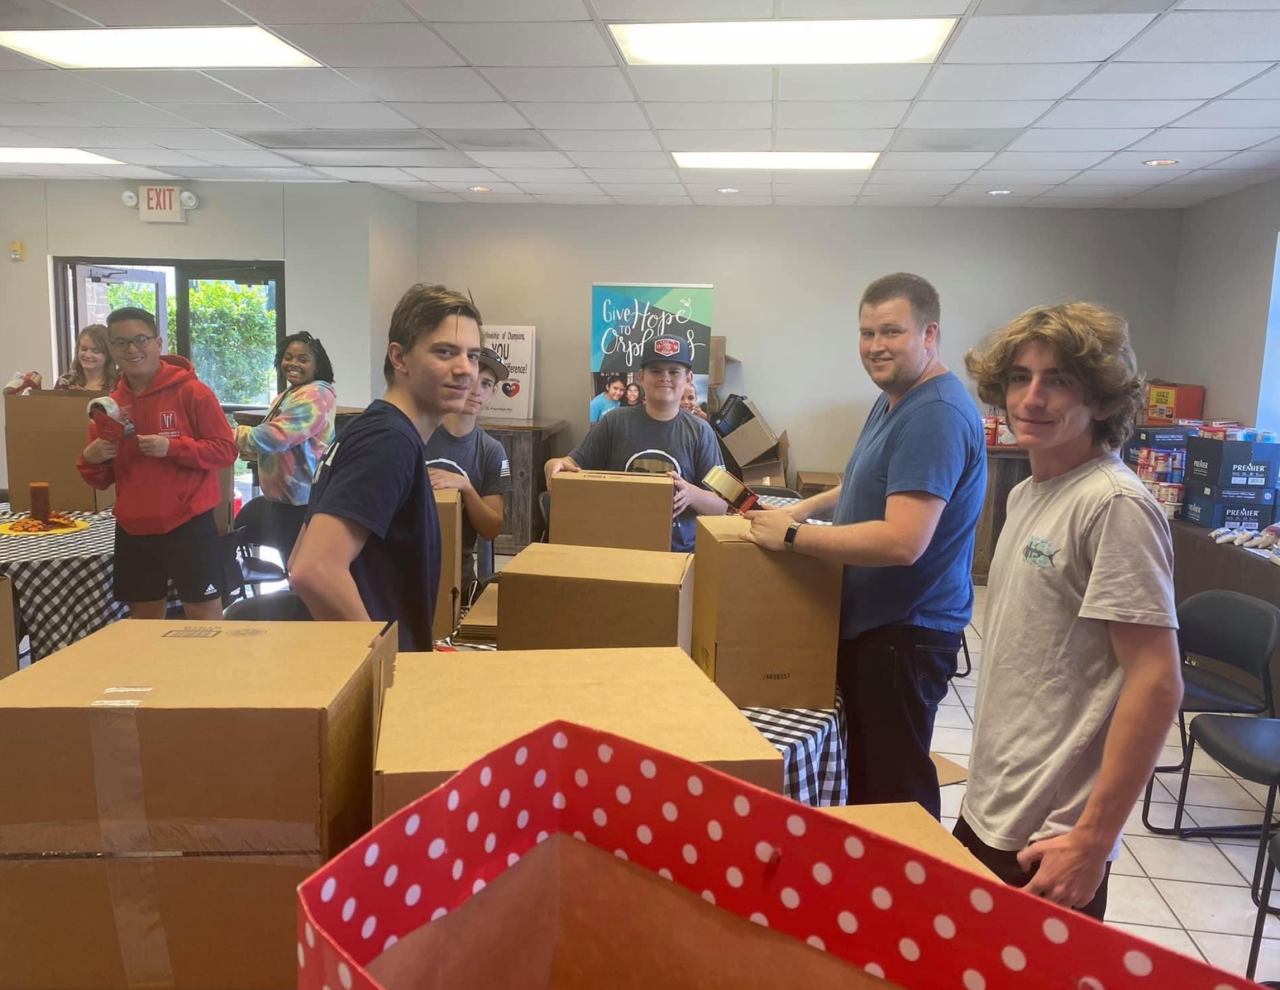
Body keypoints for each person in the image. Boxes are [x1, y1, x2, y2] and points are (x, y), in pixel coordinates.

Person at [956, 303, 1181, 920]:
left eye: (1057, 380)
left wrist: (1093, 841)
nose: (1031, 398)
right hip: (995, 803)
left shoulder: (1113, 505)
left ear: (1102, 399)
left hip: (1050, 835)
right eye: (1019, 378)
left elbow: (1157, 680)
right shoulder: (1028, 493)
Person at [744, 273, 986, 821]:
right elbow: (865, 481)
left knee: (893, 796)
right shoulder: (897, 397)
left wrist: (792, 536)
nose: (876, 346)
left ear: (929, 335)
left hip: (903, 635)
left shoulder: (934, 415)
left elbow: (903, 540)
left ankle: (907, 875)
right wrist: (801, 509)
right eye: (866, 332)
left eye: (891, 332)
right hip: (877, 627)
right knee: (868, 779)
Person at [289, 284, 481, 651]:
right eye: (445, 352)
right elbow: (312, 570)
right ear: (399, 357)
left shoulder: (375, 428)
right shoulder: (388, 441)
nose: (464, 369)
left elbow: (299, 554)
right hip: (363, 675)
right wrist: (386, 662)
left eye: (472, 356)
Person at [77, 306, 238, 620]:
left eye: (141, 339)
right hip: (134, 528)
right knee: (144, 627)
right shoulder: (108, 406)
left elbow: (225, 451)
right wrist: (89, 459)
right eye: (121, 342)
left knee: (206, 623)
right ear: (112, 350)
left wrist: (173, 447)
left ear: (158, 342)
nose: (132, 349)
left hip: (189, 524)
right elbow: (99, 479)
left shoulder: (194, 393)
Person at [545, 336, 725, 554]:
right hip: (618, 549)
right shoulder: (614, 422)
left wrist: (692, 494)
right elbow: (571, 464)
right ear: (641, 377)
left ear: (688, 378)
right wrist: (553, 464)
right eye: (655, 371)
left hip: (678, 555)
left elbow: (721, 505)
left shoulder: (701, 432)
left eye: (674, 372)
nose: (665, 378)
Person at [234, 331, 337, 563]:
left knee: (301, 570)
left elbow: (277, 436)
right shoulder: (289, 394)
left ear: (316, 366)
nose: (293, 363)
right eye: (288, 357)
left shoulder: (316, 394)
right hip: (285, 502)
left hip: (303, 503)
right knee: (292, 566)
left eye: (303, 359)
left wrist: (226, 435)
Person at [424, 345, 512, 599]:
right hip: (406, 571)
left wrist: (466, 487)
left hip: (456, 579)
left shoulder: (491, 451)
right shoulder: (418, 434)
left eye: (486, 384)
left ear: (492, 393)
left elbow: (491, 529)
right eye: (471, 380)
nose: (476, 390)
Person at [56, 324, 117, 392]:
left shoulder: (120, 383)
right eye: (83, 349)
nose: (88, 355)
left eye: (95, 351)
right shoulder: (65, 382)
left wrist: (87, 396)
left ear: (108, 353)